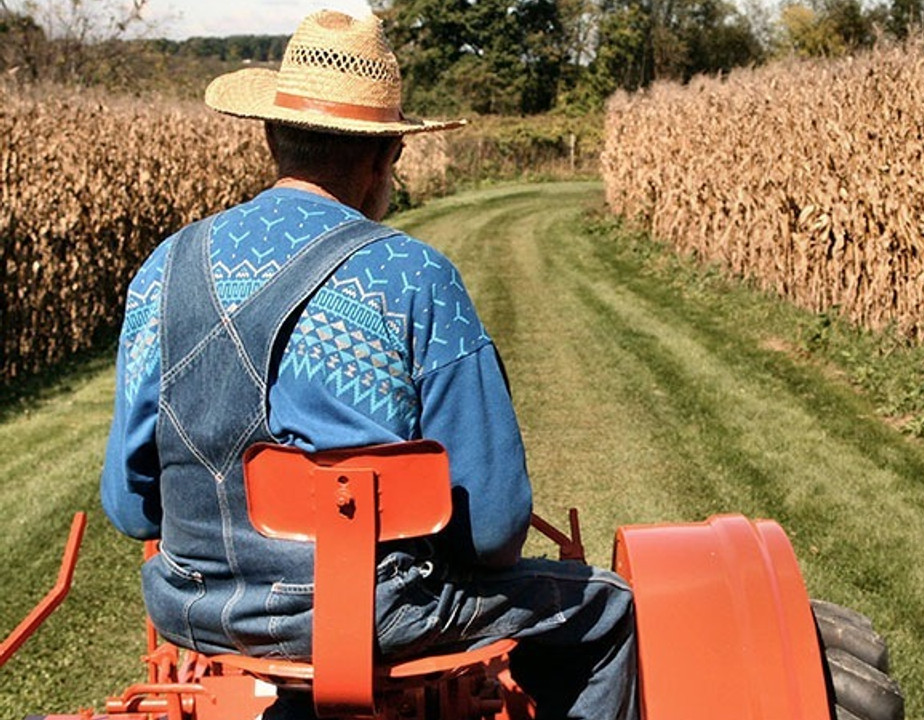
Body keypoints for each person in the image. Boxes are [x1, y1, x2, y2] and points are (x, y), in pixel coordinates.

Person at [98, 10, 637, 720]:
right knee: (609, 612)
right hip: (375, 619)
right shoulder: (413, 279)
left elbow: (129, 507)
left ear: (272, 137)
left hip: (196, 610)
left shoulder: (164, 270)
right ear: (387, 158)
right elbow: (498, 529)